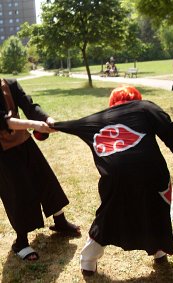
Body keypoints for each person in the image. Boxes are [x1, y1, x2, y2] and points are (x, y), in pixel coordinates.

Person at [53, 85, 173, 276]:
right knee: (156, 209)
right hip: (152, 173)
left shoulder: (97, 119)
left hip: (116, 177)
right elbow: (168, 128)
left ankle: (88, 261)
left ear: (112, 103)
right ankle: (159, 251)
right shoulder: (145, 107)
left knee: (108, 215)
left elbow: (64, 125)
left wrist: (48, 127)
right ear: (136, 98)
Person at [0, 78, 81, 261]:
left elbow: (30, 107)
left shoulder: (10, 84)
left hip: (24, 142)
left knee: (45, 179)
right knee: (18, 192)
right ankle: (20, 242)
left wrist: (46, 119)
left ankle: (60, 222)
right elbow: (4, 122)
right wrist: (34, 125)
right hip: (3, 152)